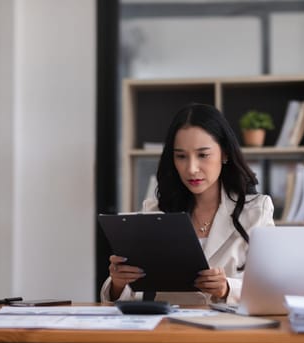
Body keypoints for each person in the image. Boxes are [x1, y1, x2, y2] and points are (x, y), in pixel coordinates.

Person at [100, 102, 275, 305]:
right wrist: (118, 283)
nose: (191, 168)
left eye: (203, 155)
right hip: (169, 332)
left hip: (228, 332)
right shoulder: (154, 211)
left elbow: (270, 289)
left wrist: (227, 288)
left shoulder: (256, 211)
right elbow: (129, 296)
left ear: (225, 153)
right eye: (181, 156)